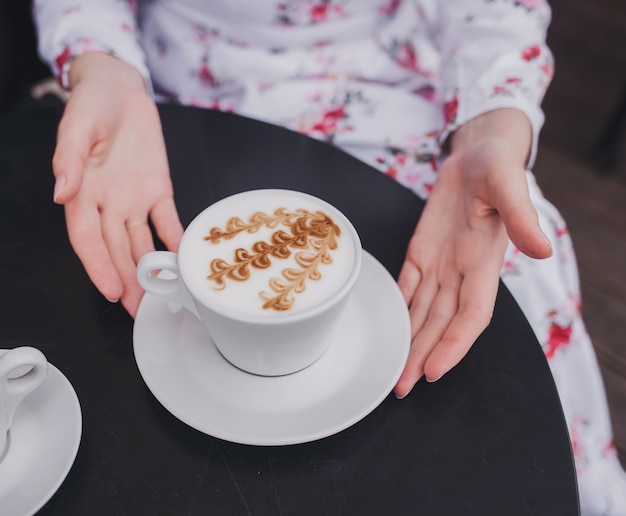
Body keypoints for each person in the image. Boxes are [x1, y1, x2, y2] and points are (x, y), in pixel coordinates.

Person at [33, 1, 626, 512]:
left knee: (518, 261)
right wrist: (103, 69)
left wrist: (491, 131)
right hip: (182, 96)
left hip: (394, 84)